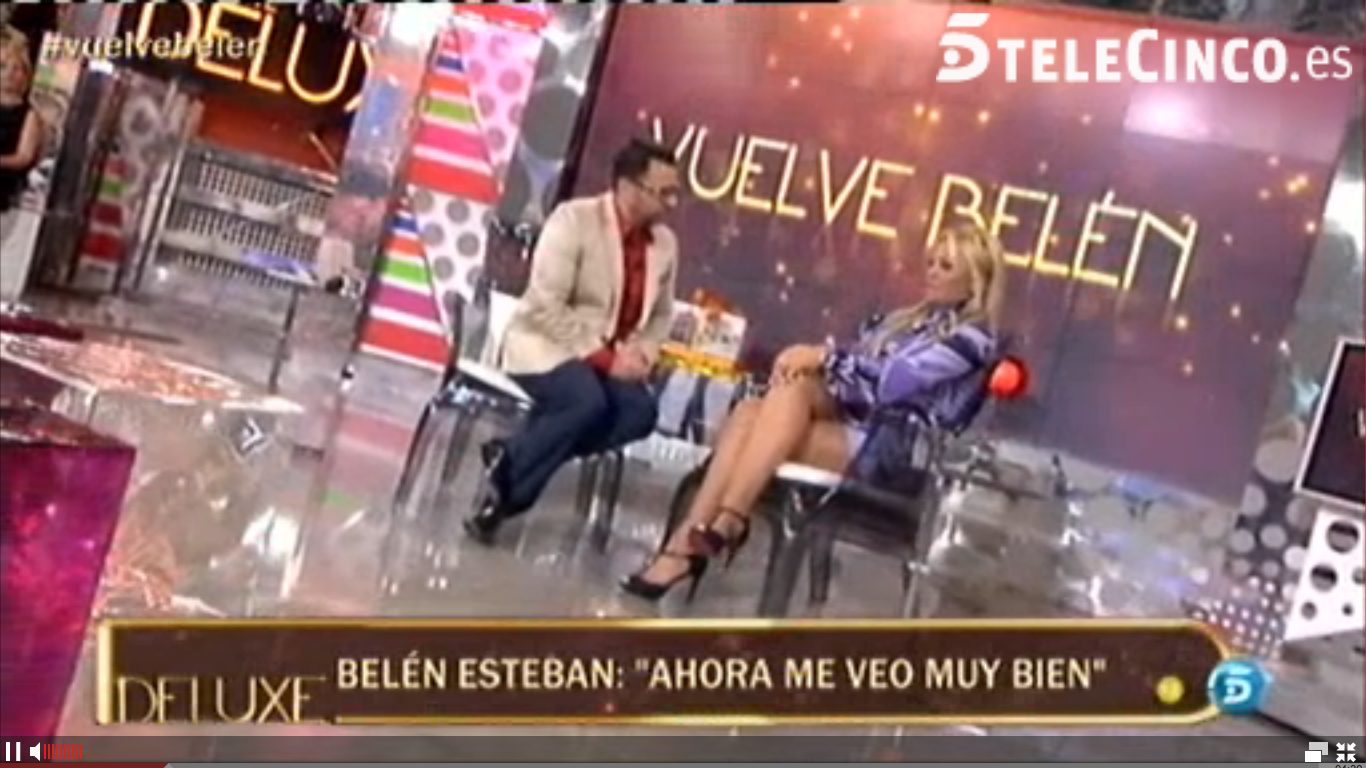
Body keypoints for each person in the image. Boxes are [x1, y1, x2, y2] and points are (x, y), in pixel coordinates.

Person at [621, 222, 1008, 600]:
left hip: (895, 457)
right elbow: (855, 375)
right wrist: (822, 363)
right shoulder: (906, 321)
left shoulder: (972, 341)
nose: (932, 273)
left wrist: (823, 357)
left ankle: (709, 533)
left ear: (974, 281)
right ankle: (701, 535)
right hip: (851, 428)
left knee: (781, 401)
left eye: (946, 266)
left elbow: (891, 384)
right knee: (751, 412)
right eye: (931, 263)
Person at [464, 139, 682, 543]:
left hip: (611, 356)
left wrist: (644, 353)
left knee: (639, 414)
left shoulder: (665, 244)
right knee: (586, 402)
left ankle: (511, 458)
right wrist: (604, 359)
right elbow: (546, 305)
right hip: (546, 342)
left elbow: (662, 315)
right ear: (629, 188)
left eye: (675, 193)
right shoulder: (574, 220)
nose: (672, 203)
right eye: (663, 192)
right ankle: (508, 499)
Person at [0, 26, 42, 213]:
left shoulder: (29, 115)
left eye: (16, 69)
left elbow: (24, 156)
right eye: (3, 67)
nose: (9, 74)